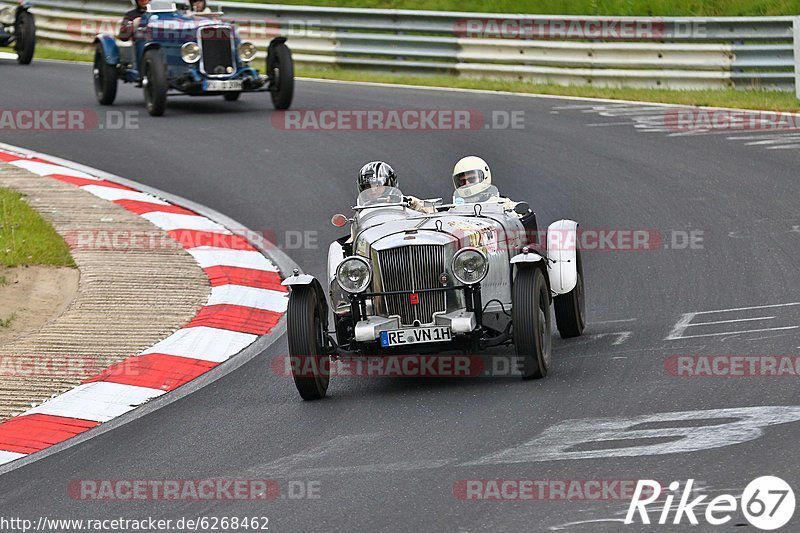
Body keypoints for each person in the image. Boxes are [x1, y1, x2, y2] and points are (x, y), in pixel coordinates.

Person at [452, 156, 538, 241]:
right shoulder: (453, 211)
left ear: (485, 176)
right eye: (462, 182)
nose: (467, 184)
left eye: (471, 179)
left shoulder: (505, 205)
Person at [357, 161, 431, 213]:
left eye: (378, 185)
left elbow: (432, 213)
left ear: (388, 184)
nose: (373, 190)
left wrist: (413, 205)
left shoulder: (406, 202)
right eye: (368, 186)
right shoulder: (361, 212)